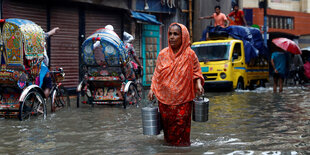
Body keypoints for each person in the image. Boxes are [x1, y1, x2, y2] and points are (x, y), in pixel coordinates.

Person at [148, 23, 204, 146]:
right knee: (168, 130)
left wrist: (198, 84)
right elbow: (157, 73)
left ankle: (182, 150)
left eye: (175, 34)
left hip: (183, 100)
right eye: (170, 34)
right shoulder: (163, 54)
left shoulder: (190, 54)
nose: (172, 37)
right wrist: (152, 89)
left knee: (181, 129)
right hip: (164, 101)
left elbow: (196, 72)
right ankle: (170, 149)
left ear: (183, 37)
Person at [40, 27, 60, 98]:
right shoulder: (40, 37)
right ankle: (42, 104)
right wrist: (55, 30)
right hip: (42, 68)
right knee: (48, 85)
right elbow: (48, 34)